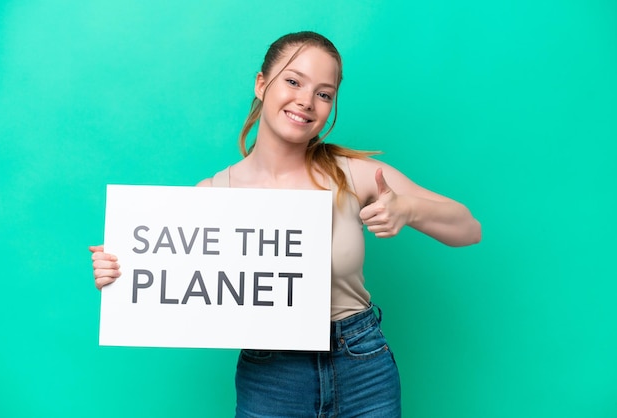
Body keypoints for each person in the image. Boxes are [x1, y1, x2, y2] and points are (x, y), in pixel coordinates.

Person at [90, 31, 481, 417]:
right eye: (293, 81)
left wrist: (408, 209)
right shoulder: (213, 193)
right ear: (262, 85)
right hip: (271, 377)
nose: (306, 101)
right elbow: (175, 285)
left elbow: (468, 228)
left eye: (324, 93)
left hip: (361, 365)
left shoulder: (354, 175)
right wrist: (121, 271)